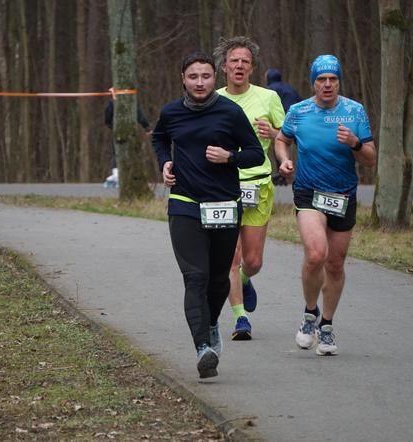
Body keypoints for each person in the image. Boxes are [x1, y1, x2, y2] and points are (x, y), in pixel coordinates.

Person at [152, 51, 263, 378]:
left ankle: (212, 322)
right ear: (183, 80)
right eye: (192, 77)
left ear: (215, 78)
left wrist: (230, 157)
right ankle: (203, 347)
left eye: (205, 76)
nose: (199, 83)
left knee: (217, 280)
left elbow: (255, 154)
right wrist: (165, 163)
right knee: (195, 277)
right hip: (185, 203)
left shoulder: (230, 112)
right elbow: (159, 138)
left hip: (224, 205)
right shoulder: (171, 112)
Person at [274, 54, 376, 355]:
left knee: (335, 263)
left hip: (343, 194)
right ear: (313, 83)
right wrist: (284, 160)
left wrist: (355, 143)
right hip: (308, 192)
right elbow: (281, 140)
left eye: (333, 79)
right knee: (316, 254)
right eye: (321, 80)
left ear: (339, 82)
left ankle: (327, 326)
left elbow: (370, 158)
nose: (327, 85)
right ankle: (309, 313)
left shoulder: (354, 111)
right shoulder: (299, 111)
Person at [213, 36, 285, 340]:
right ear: (224, 67)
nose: (239, 65)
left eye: (245, 61)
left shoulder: (268, 98)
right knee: (231, 257)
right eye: (234, 60)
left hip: (258, 183)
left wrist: (280, 150)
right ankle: (241, 319)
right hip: (223, 185)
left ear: (252, 68)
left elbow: (285, 134)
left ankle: (244, 280)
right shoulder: (213, 99)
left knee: (252, 261)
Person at [103, 100, 152, 188]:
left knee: (118, 153)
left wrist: (110, 125)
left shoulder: (113, 102)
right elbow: (139, 115)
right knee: (128, 152)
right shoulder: (131, 100)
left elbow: (107, 117)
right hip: (129, 131)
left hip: (118, 130)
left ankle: (120, 174)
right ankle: (118, 175)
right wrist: (146, 126)